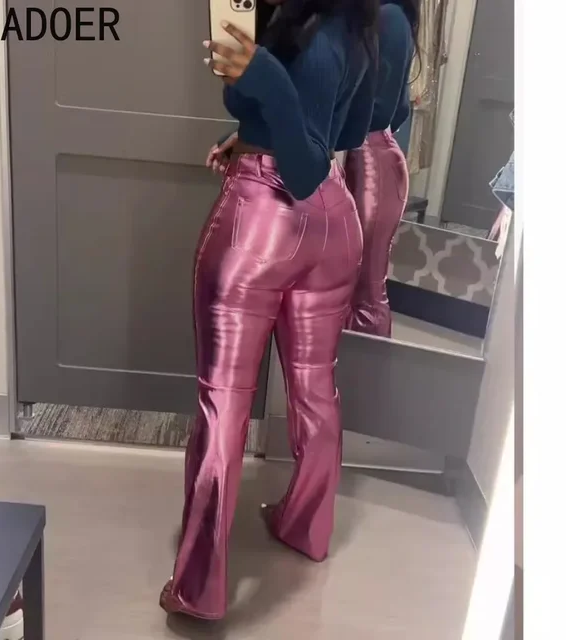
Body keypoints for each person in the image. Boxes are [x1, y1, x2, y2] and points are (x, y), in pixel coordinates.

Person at [160, 0, 379, 620]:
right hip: (334, 224)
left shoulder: (313, 29)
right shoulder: (360, 22)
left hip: (263, 219)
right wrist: (252, 131)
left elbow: (301, 169)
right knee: (315, 388)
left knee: (223, 400)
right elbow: (342, 134)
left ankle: (199, 589)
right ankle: (307, 526)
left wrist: (266, 79)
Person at [343, 0, 419, 337]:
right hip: (363, 156)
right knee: (353, 285)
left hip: (371, 163)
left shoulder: (389, 17)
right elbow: (397, 108)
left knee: (365, 291)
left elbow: (385, 109)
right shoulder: (385, 17)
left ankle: (363, 367)